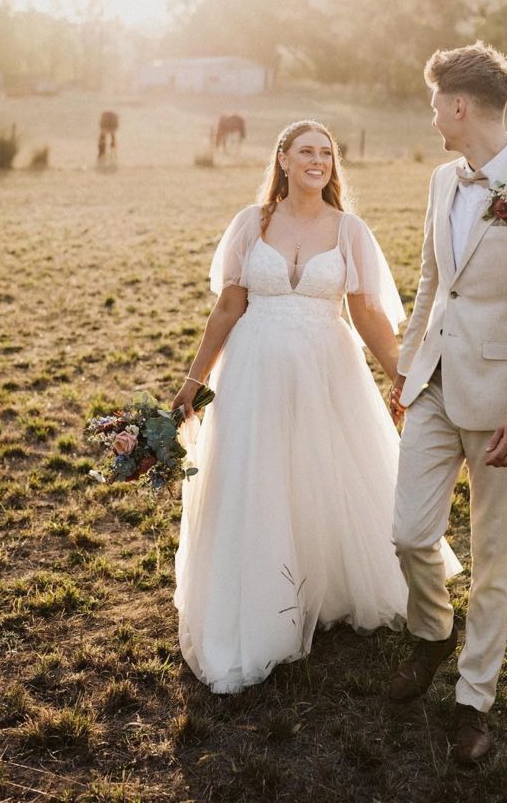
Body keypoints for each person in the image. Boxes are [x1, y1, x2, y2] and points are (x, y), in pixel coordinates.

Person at [172, 119, 461, 694]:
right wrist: (193, 379)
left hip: (328, 372)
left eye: (326, 153)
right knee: (262, 479)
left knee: (325, 476)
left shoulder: (349, 229)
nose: (318, 160)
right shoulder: (249, 224)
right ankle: (267, 601)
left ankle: (326, 589)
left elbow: (368, 315)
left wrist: (402, 378)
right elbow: (229, 307)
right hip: (254, 371)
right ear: (281, 159)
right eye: (305, 150)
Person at [387, 43, 507, 764]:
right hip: (434, 387)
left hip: (503, 407)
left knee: (492, 558)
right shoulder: (443, 180)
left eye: (436, 102)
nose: (432, 114)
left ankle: (474, 701)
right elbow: (430, 283)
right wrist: (408, 374)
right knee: (409, 532)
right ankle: (433, 633)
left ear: (460, 106)